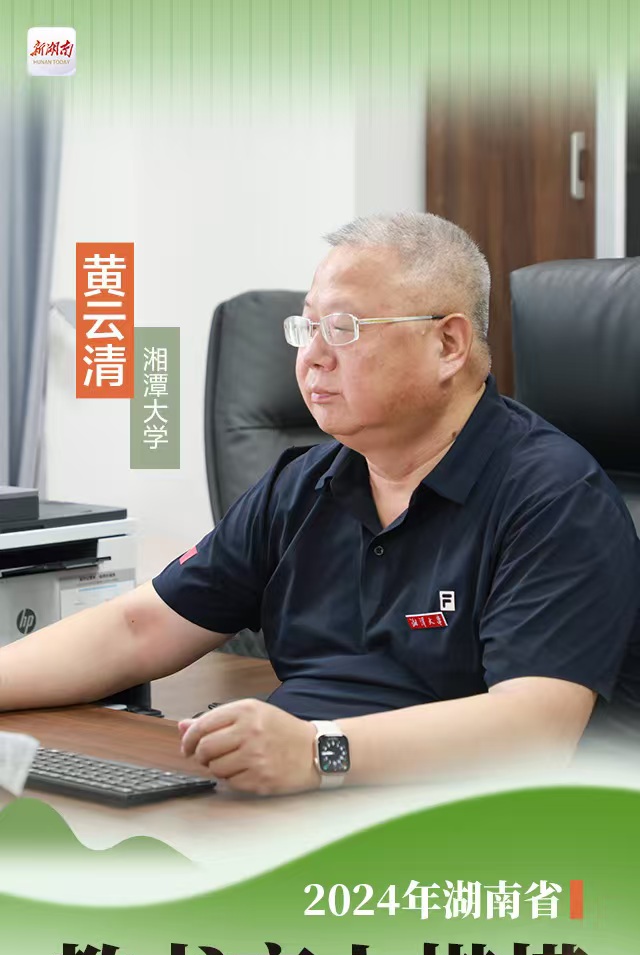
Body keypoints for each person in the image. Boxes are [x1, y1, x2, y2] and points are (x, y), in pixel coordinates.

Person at [1, 213, 639, 794]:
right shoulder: (303, 485)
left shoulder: (555, 498)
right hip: (289, 801)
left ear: (448, 345)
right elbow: (139, 627)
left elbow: (533, 731)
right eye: (307, 327)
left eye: (343, 328)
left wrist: (317, 751)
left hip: (465, 825)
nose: (311, 357)